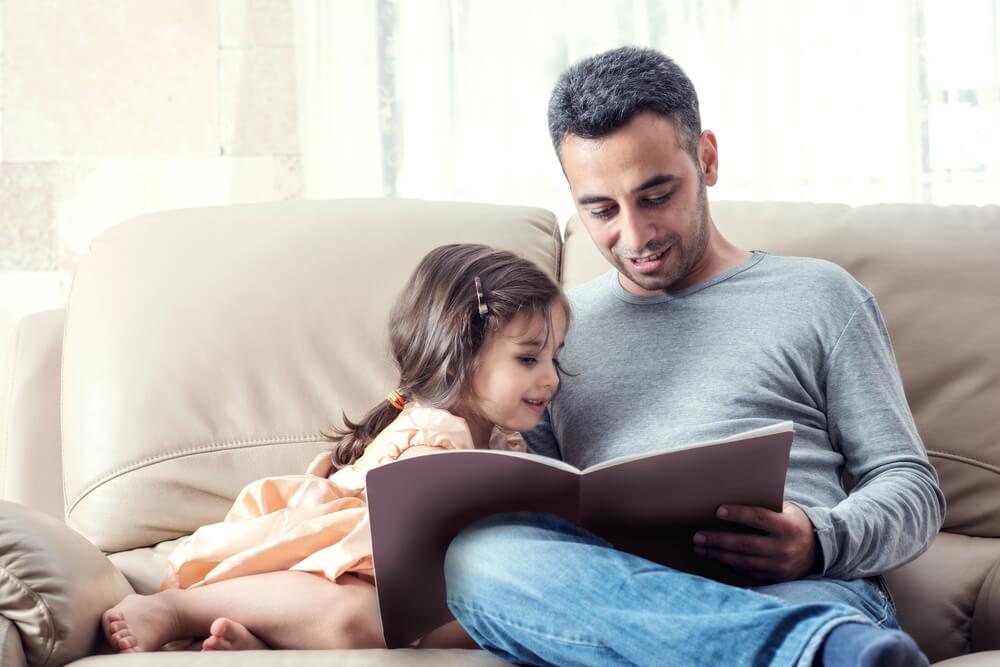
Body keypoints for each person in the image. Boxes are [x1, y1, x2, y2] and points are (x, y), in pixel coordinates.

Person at [442, 47, 946, 666]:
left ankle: (797, 643)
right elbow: (538, 500)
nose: (634, 236)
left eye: (655, 195)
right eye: (600, 210)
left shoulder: (820, 296)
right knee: (480, 557)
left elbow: (912, 486)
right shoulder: (548, 334)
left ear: (706, 159)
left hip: (797, 589)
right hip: (623, 601)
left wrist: (818, 540)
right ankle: (808, 655)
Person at [101, 243, 570, 653]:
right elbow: (383, 558)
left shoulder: (506, 441)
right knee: (359, 619)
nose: (549, 377)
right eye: (528, 358)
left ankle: (267, 640)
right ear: (461, 354)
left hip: (405, 590)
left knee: (472, 623)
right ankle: (179, 610)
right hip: (338, 566)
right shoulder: (434, 436)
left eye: (555, 356)